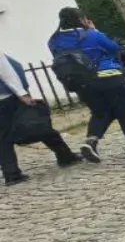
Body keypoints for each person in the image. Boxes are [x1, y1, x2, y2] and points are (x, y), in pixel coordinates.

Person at [47, 7, 125, 160]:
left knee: (100, 112)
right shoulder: (91, 35)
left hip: (84, 83)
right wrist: (95, 30)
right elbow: (114, 48)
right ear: (81, 19)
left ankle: (91, 141)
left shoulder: (54, 41)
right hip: (110, 76)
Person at [1, 52, 82, 185]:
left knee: (3, 139)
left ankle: (11, 174)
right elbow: (6, 72)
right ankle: (66, 156)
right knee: (38, 124)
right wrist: (22, 94)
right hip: (8, 98)